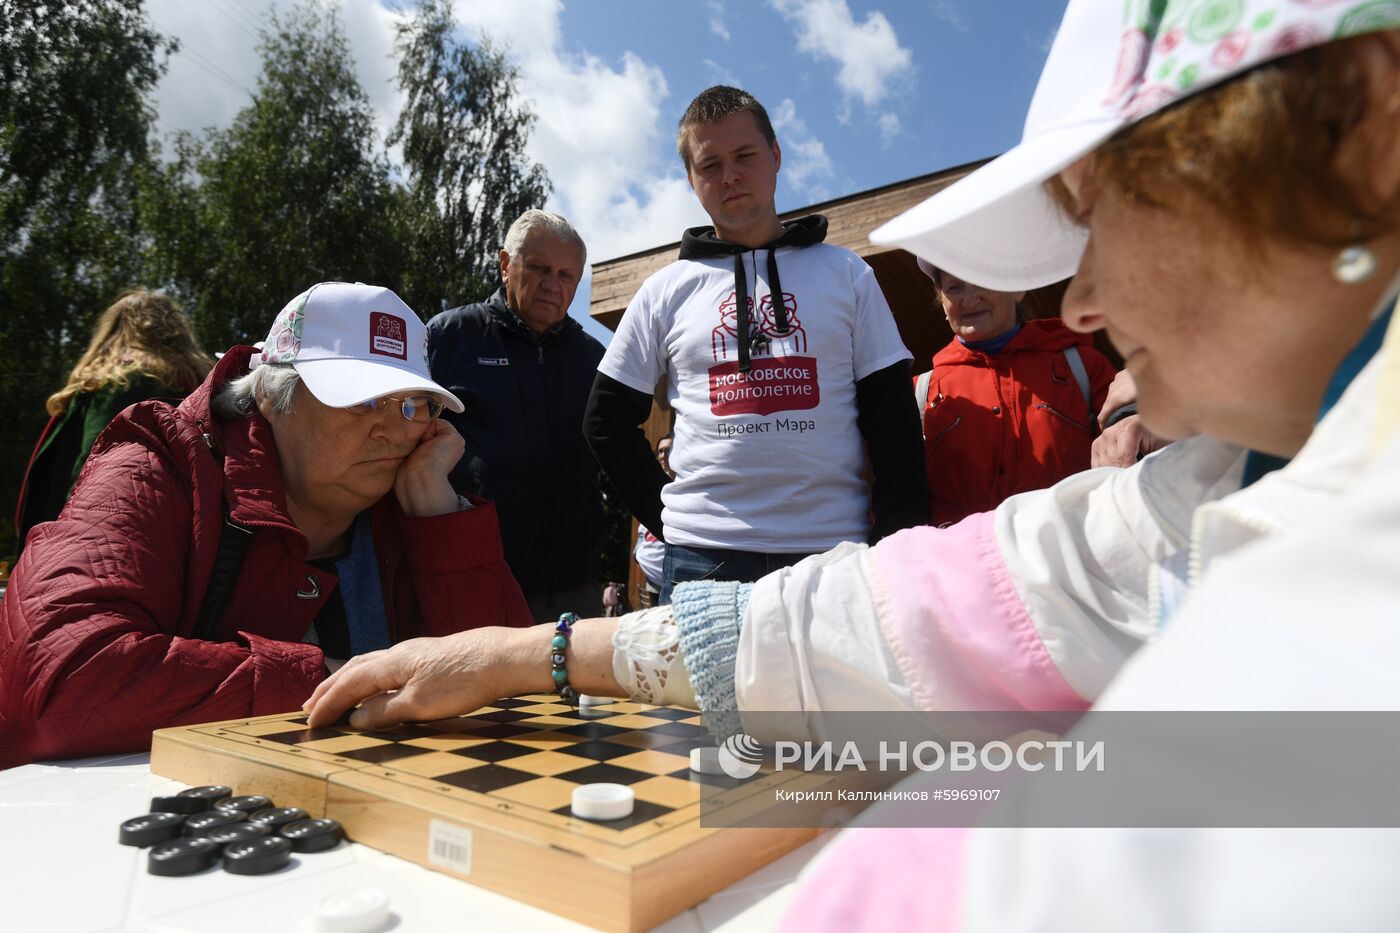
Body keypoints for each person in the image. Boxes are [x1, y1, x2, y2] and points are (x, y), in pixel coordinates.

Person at [305, 2, 1400, 927]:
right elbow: (953, 600)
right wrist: (534, 644)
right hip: (711, 573)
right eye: (706, 165)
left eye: (1111, 214)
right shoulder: (1219, 487)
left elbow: (1161, 838)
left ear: (1369, 142)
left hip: (814, 555)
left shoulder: (842, 282)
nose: (1081, 302)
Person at [0, 282, 532, 768]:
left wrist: (440, 520)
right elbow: (54, 679)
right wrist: (335, 683)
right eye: (363, 398)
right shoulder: (158, 465)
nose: (395, 430)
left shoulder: (413, 496)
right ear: (271, 397)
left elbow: (511, 690)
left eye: (414, 404)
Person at [584, 85, 928, 602]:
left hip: (832, 556)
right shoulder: (665, 289)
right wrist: (672, 518)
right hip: (702, 561)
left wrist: (898, 545)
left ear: (775, 155)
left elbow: (893, 419)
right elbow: (604, 421)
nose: (730, 176)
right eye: (710, 165)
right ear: (691, 180)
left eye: (744, 155)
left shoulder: (847, 273)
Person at [427, 210, 606, 621]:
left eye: (566, 276)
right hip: (473, 575)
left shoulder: (595, 359)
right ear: (506, 265)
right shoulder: (448, 338)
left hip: (574, 588)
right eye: (539, 268)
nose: (552, 285)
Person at [12, 290, 214, 560]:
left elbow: (90, 465)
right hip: (189, 535)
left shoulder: (114, 384)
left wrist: (66, 542)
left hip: (104, 538)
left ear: (113, 331)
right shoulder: (202, 388)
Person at [913, 260, 1116, 525]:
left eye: (982, 282)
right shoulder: (919, 392)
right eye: (954, 288)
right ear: (941, 302)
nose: (970, 299)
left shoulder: (1083, 367)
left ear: (1017, 290)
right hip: (967, 563)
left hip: (1072, 554)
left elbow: (1128, 464)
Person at [632, 433, 673, 608]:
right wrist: (638, 553)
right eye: (659, 452)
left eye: (668, 450)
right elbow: (643, 529)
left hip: (674, 580)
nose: (663, 456)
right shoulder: (654, 488)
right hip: (651, 582)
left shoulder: (684, 487)